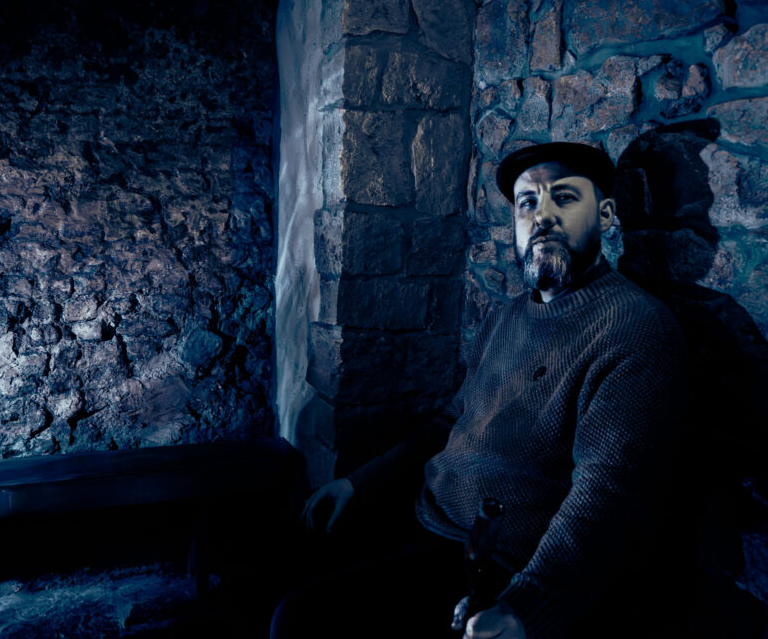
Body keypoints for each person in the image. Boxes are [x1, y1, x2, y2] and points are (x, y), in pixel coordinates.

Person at [272, 142, 688, 639]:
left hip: (496, 566)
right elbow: (452, 421)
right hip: (424, 516)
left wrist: (525, 608)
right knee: (263, 557)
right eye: (528, 203)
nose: (543, 217)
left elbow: (610, 494)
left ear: (606, 214)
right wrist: (361, 482)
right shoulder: (507, 315)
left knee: (300, 621)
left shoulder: (633, 328)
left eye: (565, 199)